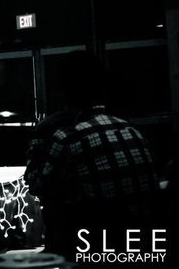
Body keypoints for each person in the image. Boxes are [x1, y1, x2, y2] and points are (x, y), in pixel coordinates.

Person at [24, 51, 160, 258]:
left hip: (96, 249)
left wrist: (37, 145)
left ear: (65, 92)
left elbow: (36, 186)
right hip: (146, 246)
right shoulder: (132, 130)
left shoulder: (69, 136)